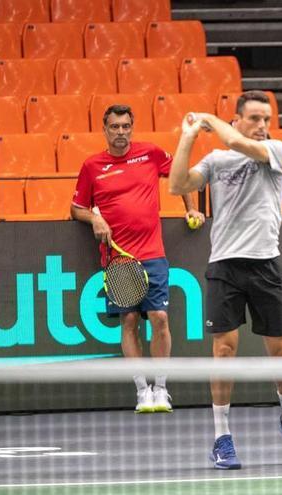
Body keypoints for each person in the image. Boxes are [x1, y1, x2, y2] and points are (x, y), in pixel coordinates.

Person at [168, 90, 282, 470]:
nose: (263, 126)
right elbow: (178, 185)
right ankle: (222, 437)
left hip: (265, 265)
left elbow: (233, 140)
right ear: (237, 118)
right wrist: (187, 136)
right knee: (224, 351)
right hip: (225, 267)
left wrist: (205, 119)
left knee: (279, 352)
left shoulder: (277, 151)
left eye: (266, 119)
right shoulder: (216, 160)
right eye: (254, 119)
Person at [70, 104, 205, 414]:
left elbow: (180, 175)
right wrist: (94, 218)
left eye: (126, 126)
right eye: (115, 127)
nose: (121, 132)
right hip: (118, 257)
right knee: (129, 321)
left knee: (160, 319)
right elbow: (75, 207)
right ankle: (142, 390)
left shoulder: (150, 154)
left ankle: (161, 388)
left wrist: (190, 208)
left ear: (132, 127)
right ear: (104, 130)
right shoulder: (92, 166)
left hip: (153, 252)